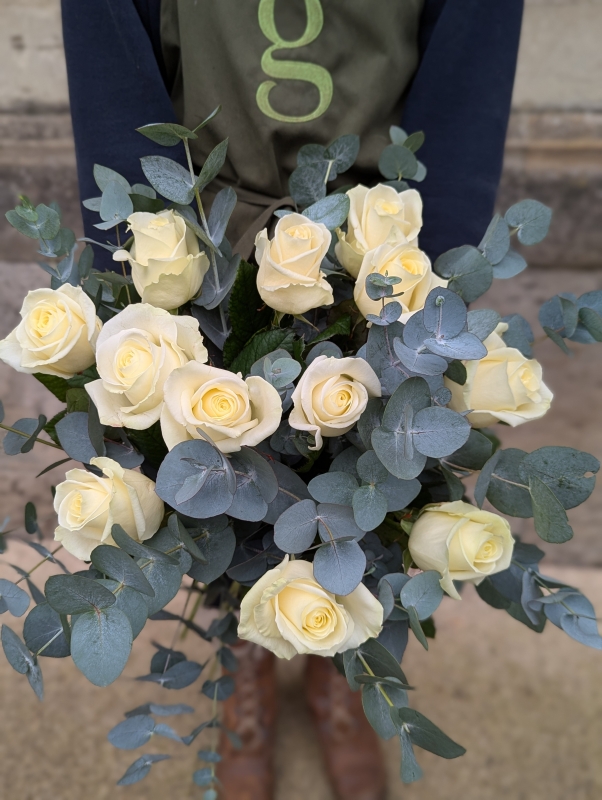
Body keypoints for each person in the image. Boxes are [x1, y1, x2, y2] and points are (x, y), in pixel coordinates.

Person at [60, 2, 524, 797]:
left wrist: (436, 271)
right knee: (214, 474)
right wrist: (132, 263)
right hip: (202, 225)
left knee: (377, 472)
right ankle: (242, 649)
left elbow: (468, 75)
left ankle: (344, 650)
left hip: (383, 233)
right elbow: (112, 58)